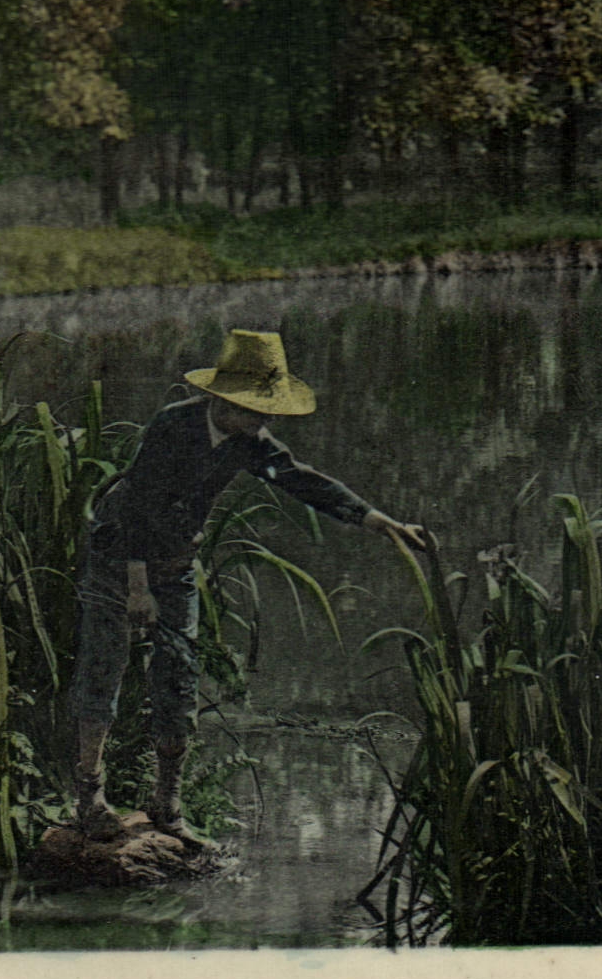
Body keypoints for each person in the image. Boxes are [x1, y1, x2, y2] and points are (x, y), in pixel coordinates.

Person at [69, 329, 426, 849]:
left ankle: (167, 805)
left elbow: (303, 479)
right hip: (119, 556)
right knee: (105, 666)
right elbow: (137, 505)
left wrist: (379, 521)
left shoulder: (248, 442)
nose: (264, 421)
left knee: (180, 674)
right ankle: (90, 799)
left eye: (267, 412)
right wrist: (137, 587)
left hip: (177, 560)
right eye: (253, 409)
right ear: (220, 399)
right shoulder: (173, 426)